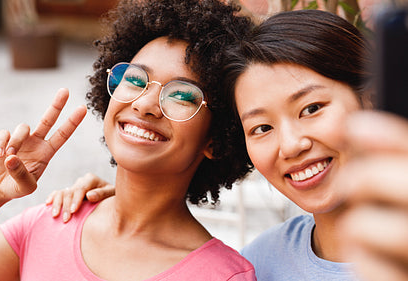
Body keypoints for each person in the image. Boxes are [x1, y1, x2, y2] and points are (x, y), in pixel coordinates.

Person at [0, 0, 258, 280]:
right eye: (135, 80)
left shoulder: (224, 275)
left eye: (182, 96)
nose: (145, 104)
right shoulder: (52, 221)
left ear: (216, 138)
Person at [51, 9, 408, 281]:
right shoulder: (261, 264)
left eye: (311, 108)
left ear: (373, 100)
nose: (291, 145)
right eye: (261, 127)